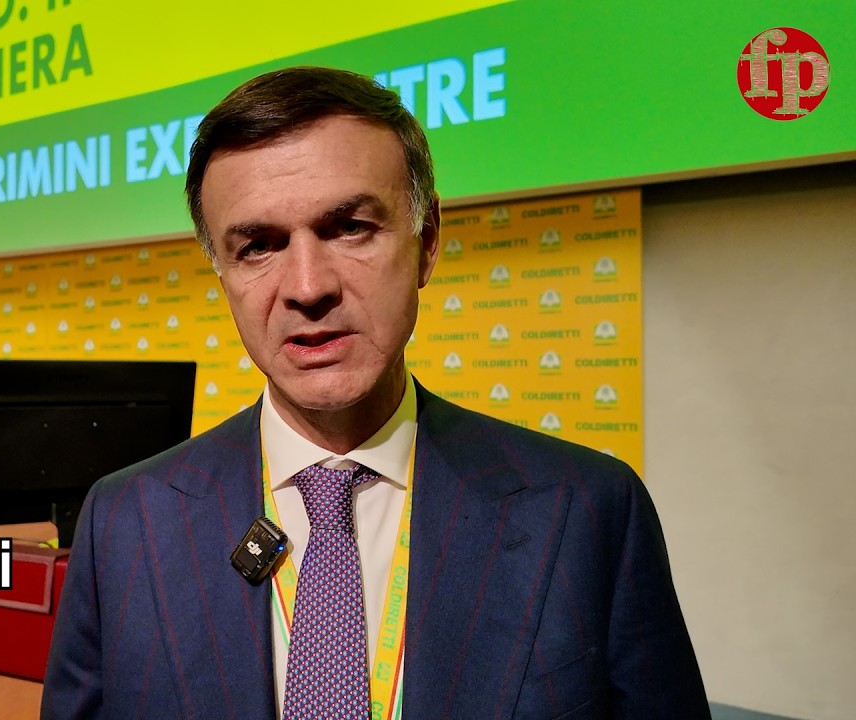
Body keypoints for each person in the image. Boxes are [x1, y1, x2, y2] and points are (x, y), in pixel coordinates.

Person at [41, 66, 709, 719]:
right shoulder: (124, 523)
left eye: (349, 228)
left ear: (427, 242)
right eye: (259, 246)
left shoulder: (588, 511)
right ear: (223, 276)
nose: (308, 287)